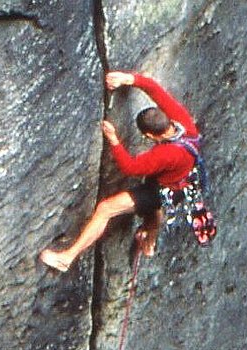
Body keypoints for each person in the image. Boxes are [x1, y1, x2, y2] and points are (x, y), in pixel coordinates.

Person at [40, 70, 211, 272]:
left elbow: (130, 167)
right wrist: (127, 79)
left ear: (150, 135)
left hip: (162, 191)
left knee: (106, 208)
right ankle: (149, 240)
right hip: (181, 182)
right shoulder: (183, 123)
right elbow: (155, 89)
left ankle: (66, 258)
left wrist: (114, 140)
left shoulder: (166, 155)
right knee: (153, 198)